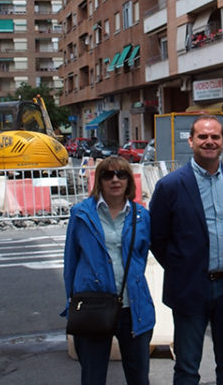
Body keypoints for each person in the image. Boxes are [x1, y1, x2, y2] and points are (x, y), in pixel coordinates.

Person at [150, 114, 223, 385]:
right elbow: (157, 237)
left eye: (215, 136)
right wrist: (182, 267)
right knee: (187, 367)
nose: (209, 141)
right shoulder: (170, 185)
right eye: (203, 136)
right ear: (191, 141)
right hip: (189, 287)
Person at [63, 156, 154, 385]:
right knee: (93, 377)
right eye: (108, 175)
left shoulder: (142, 216)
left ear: (129, 180)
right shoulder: (81, 214)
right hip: (93, 306)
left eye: (121, 174)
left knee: (139, 378)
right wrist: (72, 302)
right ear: (99, 181)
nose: (115, 180)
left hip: (133, 308)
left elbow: (141, 257)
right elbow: (71, 262)